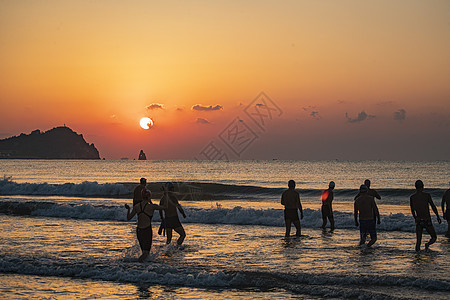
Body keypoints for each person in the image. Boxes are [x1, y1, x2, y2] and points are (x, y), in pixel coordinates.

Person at [125, 185, 167, 262]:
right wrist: (165, 195)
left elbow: (129, 218)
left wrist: (128, 209)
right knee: (146, 253)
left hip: (139, 231)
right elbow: (165, 207)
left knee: (144, 252)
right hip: (147, 230)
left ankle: (141, 266)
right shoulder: (151, 207)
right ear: (149, 197)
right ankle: (137, 263)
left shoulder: (137, 206)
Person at [410, 180, 442, 252]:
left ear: (415, 187)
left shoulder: (412, 197)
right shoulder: (427, 196)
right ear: (423, 187)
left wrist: (415, 218)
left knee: (418, 241)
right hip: (427, 219)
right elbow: (433, 206)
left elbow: (412, 210)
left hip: (419, 220)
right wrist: (437, 216)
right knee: (434, 237)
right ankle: (427, 244)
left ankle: (417, 256)